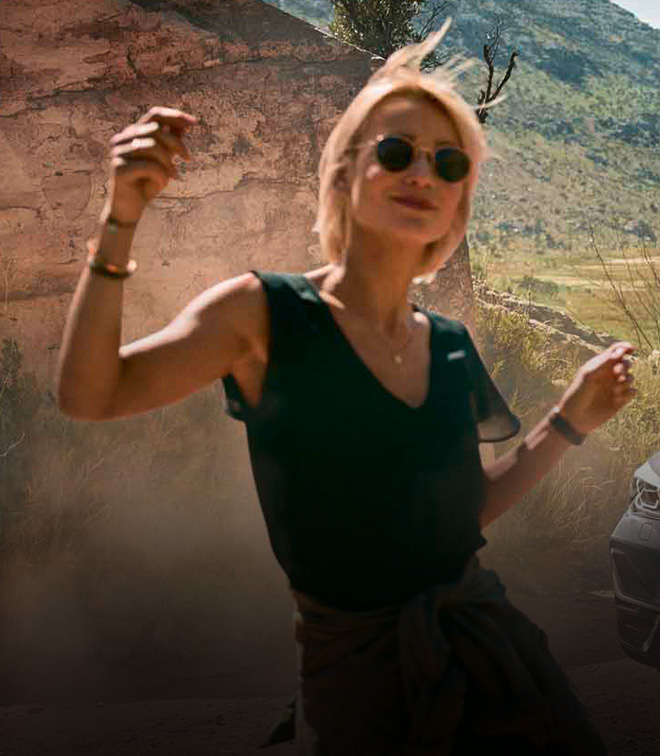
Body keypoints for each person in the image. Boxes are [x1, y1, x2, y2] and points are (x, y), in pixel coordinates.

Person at [54, 25, 626, 755]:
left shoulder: (449, 342)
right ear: (345, 174)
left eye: (448, 164)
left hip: (494, 666)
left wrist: (570, 421)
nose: (423, 173)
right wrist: (122, 217)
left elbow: (462, 514)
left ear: (458, 207)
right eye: (396, 152)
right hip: (353, 695)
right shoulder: (265, 314)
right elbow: (90, 394)